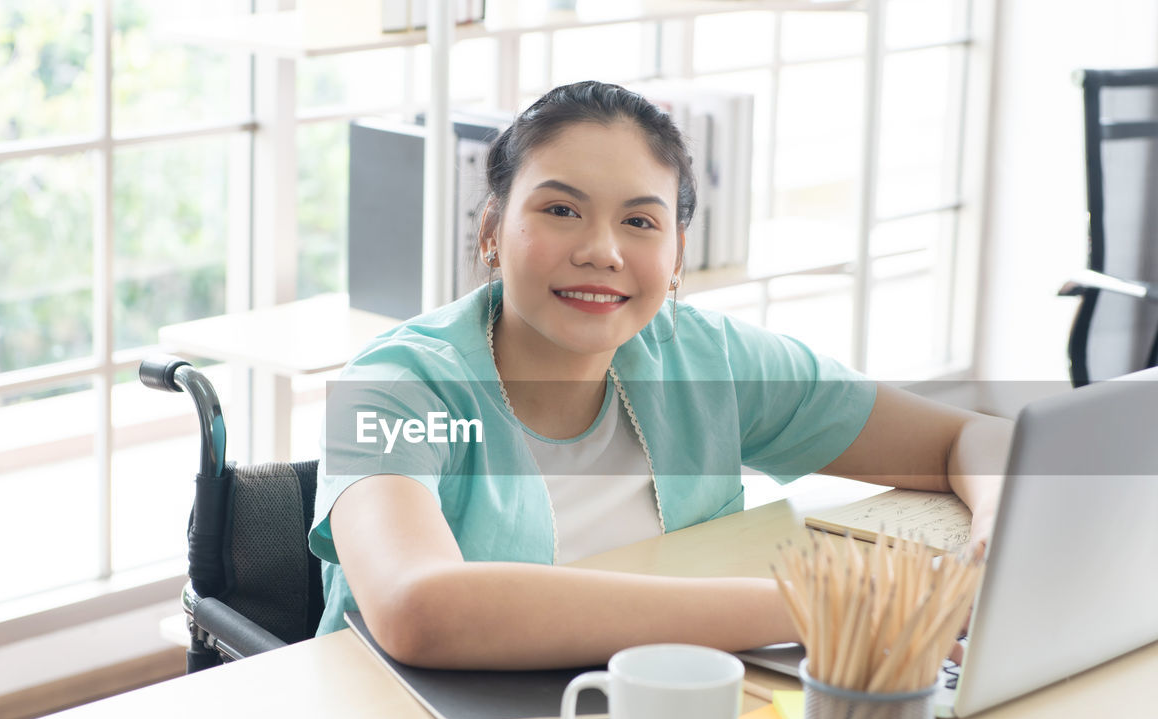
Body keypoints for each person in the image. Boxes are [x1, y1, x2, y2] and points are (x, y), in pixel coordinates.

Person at [309, 80, 1010, 670]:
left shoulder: (704, 361)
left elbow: (973, 440)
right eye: (560, 210)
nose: (601, 251)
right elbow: (418, 607)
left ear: (676, 258)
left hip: (654, 710)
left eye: (640, 222)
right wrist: (823, 604)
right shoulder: (397, 384)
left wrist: (995, 530)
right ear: (491, 229)